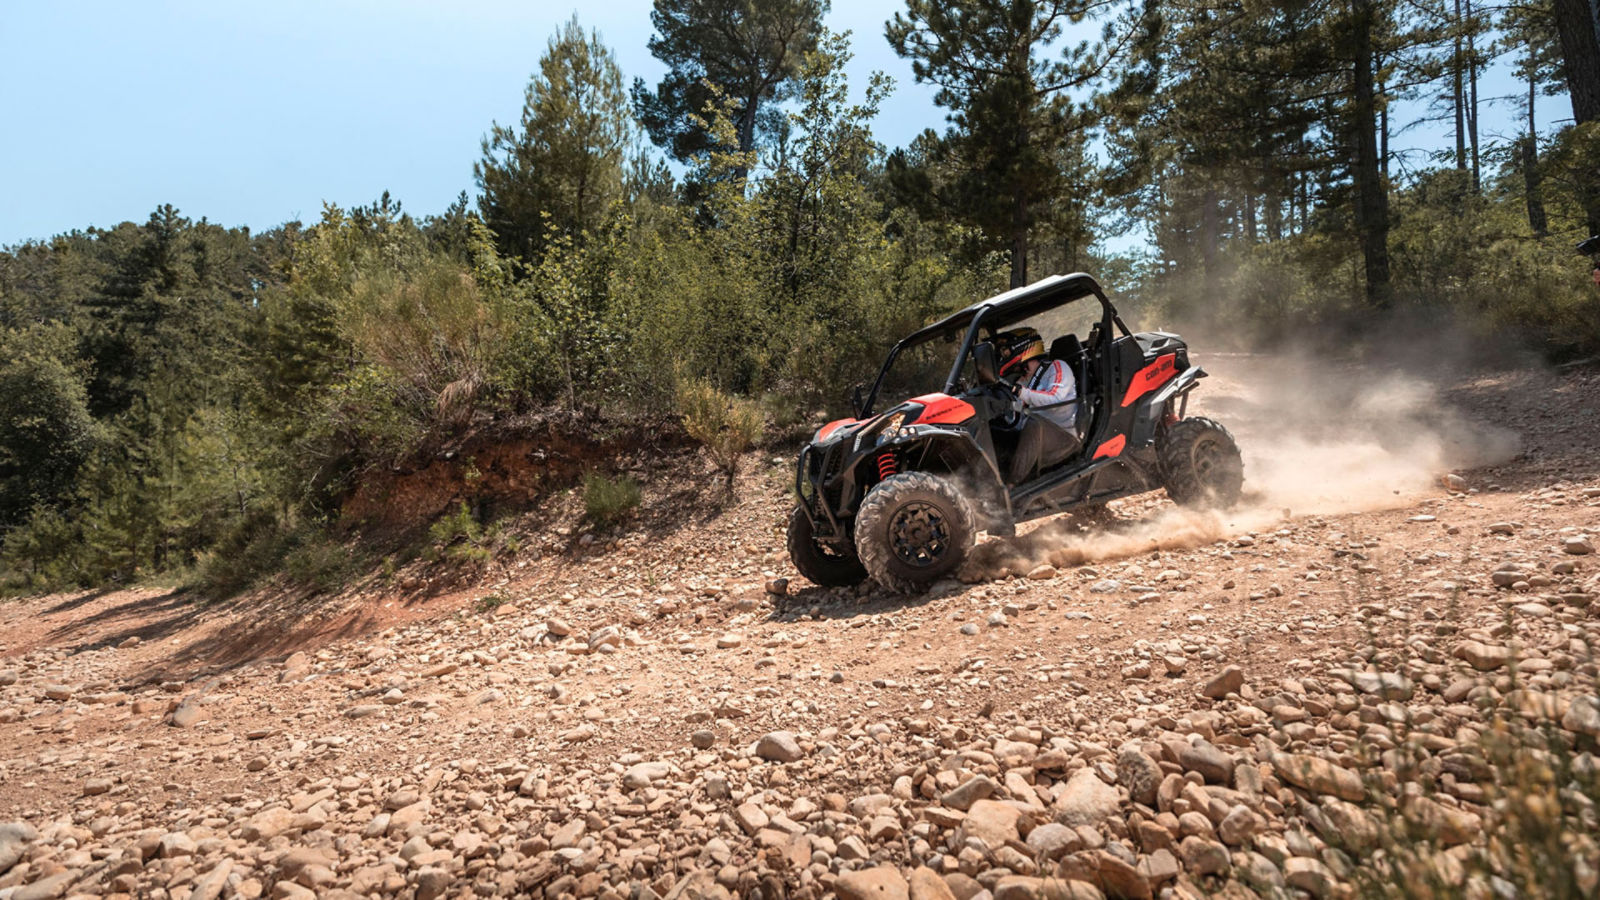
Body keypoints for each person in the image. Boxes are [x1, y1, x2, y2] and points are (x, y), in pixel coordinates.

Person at [993, 327, 1080, 483]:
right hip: (1037, 439)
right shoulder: (1023, 380)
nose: (1003, 356)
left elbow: (1055, 400)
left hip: (1064, 437)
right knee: (999, 431)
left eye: (1006, 352)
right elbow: (1020, 412)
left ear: (1023, 347)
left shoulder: (1057, 367)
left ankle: (1011, 487)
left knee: (1034, 425)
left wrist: (1020, 392)